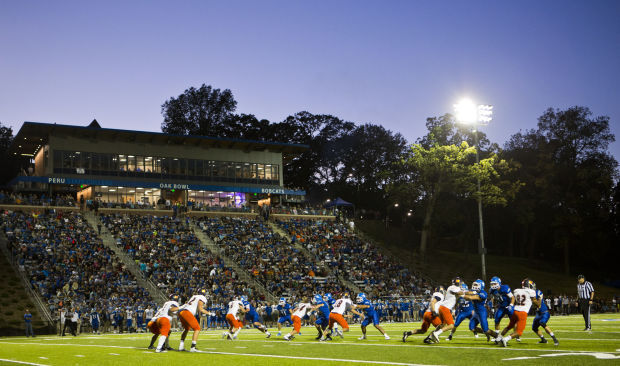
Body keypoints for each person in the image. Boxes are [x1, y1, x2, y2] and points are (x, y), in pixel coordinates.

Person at [499, 278, 537, 347]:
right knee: (519, 332)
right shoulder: (531, 292)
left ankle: (498, 338)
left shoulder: (517, 290)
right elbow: (535, 302)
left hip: (515, 311)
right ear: (529, 285)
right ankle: (506, 339)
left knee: (509, 327)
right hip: (523, 313)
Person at [428, 277, 465, 343]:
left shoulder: (453, 288)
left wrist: (453, 310)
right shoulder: (453, 287)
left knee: (443, 325)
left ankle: (430, 336)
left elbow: (456, 300)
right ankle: (436, 334)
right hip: (445, 308)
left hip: (443, 307)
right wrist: (469, 291)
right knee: (451, 325)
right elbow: (460, 293)